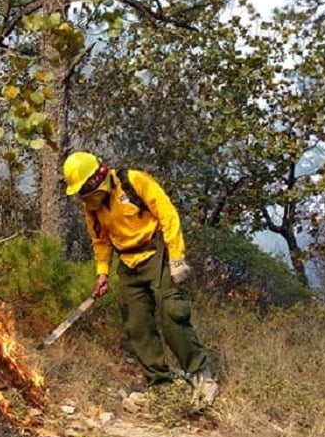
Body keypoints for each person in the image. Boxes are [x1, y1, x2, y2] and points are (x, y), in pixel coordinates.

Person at [62, 151, 218, 404]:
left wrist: (177, 257)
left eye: (85, 187)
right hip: (128, 262)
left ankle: (202, 375)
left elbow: (168, 215)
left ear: (97, 177)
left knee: (172, 315)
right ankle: (160, 383)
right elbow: (100, 241)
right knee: (137, 325)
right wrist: (102, 273)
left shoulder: (134, 182)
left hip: (158, 252)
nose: (84, 194)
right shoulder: (91, 208)